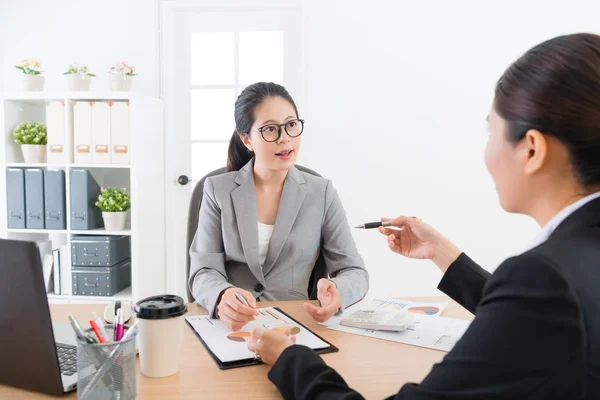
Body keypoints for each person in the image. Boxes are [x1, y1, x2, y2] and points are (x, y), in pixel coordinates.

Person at [248, 33, 600, 399]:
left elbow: (533, 306)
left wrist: (291, 360)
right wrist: (444, 254)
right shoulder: (570, 268)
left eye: (490, 131)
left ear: (532, 150)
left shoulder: (543, 280)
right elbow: (531, 322)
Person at [189, 82, 369, 330]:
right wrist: (221, 296)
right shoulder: (217, 190)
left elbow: (354, 271)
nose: (285, 138)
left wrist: (338, 290)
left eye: (291, 125)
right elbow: (203, 271)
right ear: (247, 140)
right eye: (270, 129)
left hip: (296, 326)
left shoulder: (322, 193)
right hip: (233, 327)